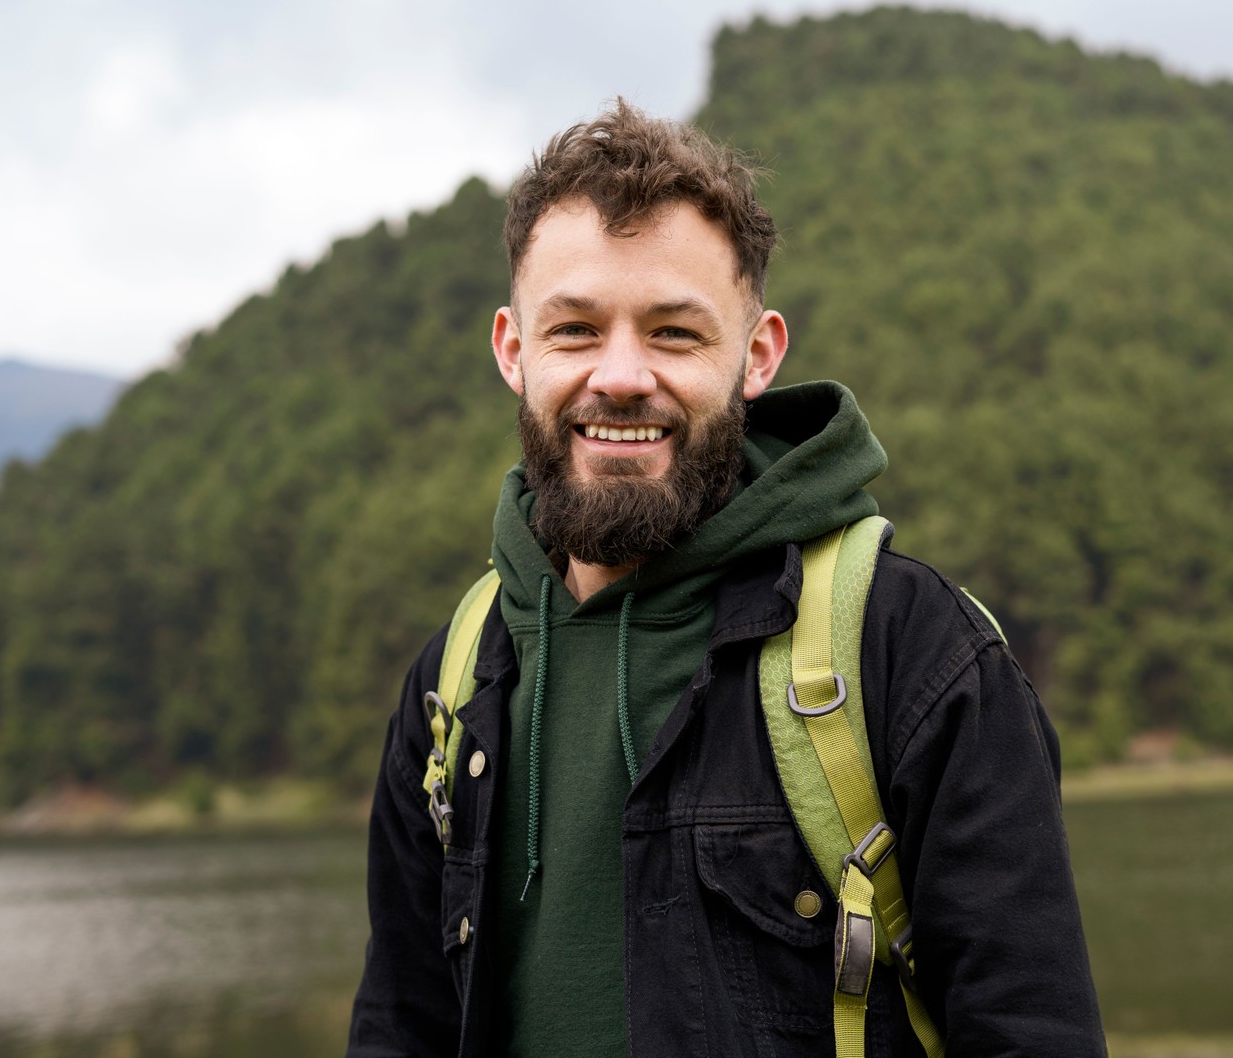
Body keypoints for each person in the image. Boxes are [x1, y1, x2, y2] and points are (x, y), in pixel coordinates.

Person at [346, 99, 1105, 1057]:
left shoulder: (913, 654)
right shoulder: (451, 683)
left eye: (673, 333)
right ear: (513, 351)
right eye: (575, 329)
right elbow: (398, 1027)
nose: (621, 376)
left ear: (756, 356)